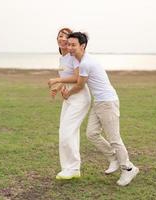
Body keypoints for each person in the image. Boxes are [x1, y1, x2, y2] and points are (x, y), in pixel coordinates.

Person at [61, 32, 139, 186]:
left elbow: (79, 85)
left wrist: (67, 94)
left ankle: (128, 168)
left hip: (108, 102)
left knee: (114, 138)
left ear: (82, 46)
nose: (69, 47)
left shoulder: (85, 63)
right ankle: (113, 158)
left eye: (73, 45)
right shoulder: (83, 59)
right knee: (91, 134)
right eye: (68, 44)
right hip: (100, 102)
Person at [48, 28, 91, 180]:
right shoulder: (63, 57)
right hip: (68, 97)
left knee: (66, 133)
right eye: (60, 35)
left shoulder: (73, 56)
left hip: (79, 97)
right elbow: (66, 77)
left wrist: (58, 80)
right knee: (68, 133)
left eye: (65, 36)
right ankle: (71, 168)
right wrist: (57, 88)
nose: (62, 38)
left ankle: (72, 167)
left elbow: (77, 78)